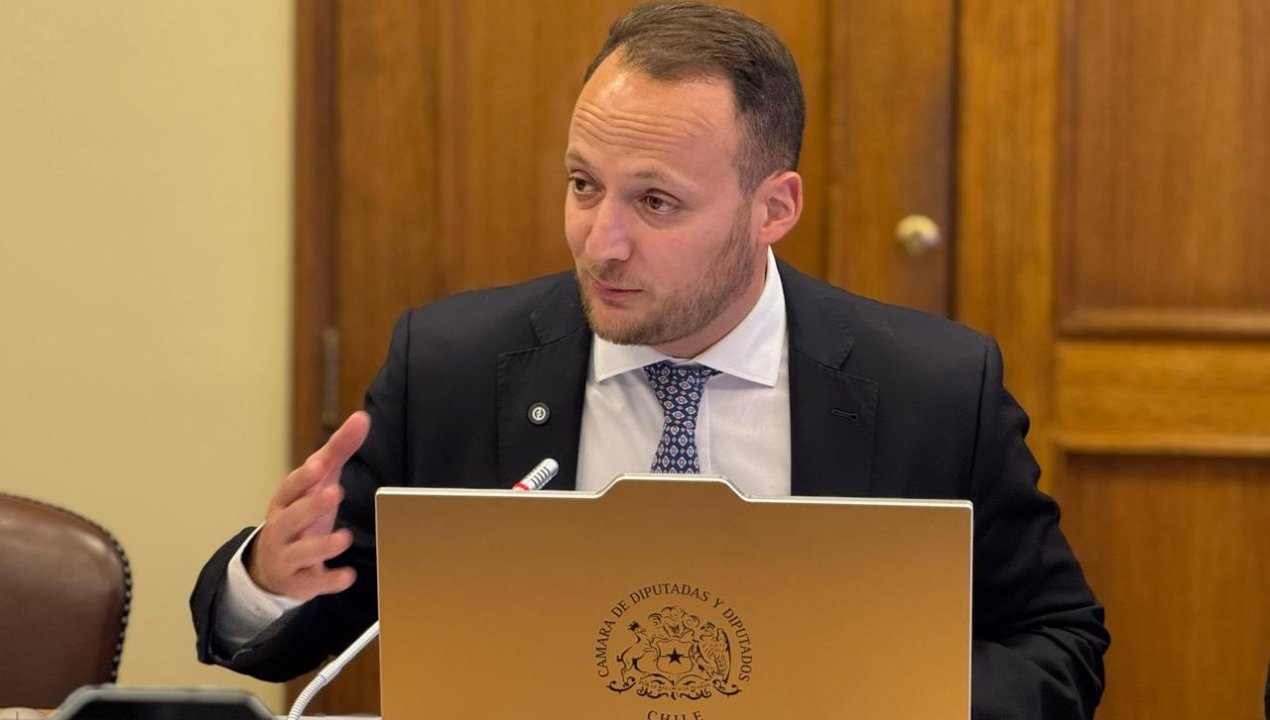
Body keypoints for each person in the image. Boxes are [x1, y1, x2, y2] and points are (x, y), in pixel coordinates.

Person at [191, 3, 1109, 717]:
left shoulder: (933, 390)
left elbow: (1059, 646)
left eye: (656, 202)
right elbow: (285, 636)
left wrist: (875, 698)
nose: (602, 243)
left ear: (774, 208)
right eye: (583, 185)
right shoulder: (453, 368)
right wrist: (265, 578)